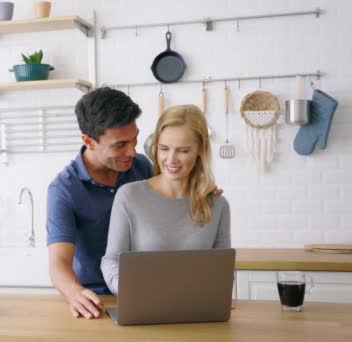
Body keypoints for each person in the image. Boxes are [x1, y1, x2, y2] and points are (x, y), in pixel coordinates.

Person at [100, 104, 231, 295]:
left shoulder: (218, 205)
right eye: (164, 149)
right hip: (142, 305)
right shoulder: (129, 196)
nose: (171, 159)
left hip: (198, 312)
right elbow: (111, 260)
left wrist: (220, 294)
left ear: (200, 149)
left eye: (183, 150)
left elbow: (222, 270)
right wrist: (125, 288)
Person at [46, 87, 153, 319]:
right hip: (97, 299)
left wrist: (201, 192)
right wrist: (75, 294)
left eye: (135, 140)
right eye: (120, 145)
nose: (132, 152)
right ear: (88, 140)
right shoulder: (63, 189)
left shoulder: (142, 167)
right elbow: (59, 263)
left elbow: (173, 204)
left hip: (146, 291)